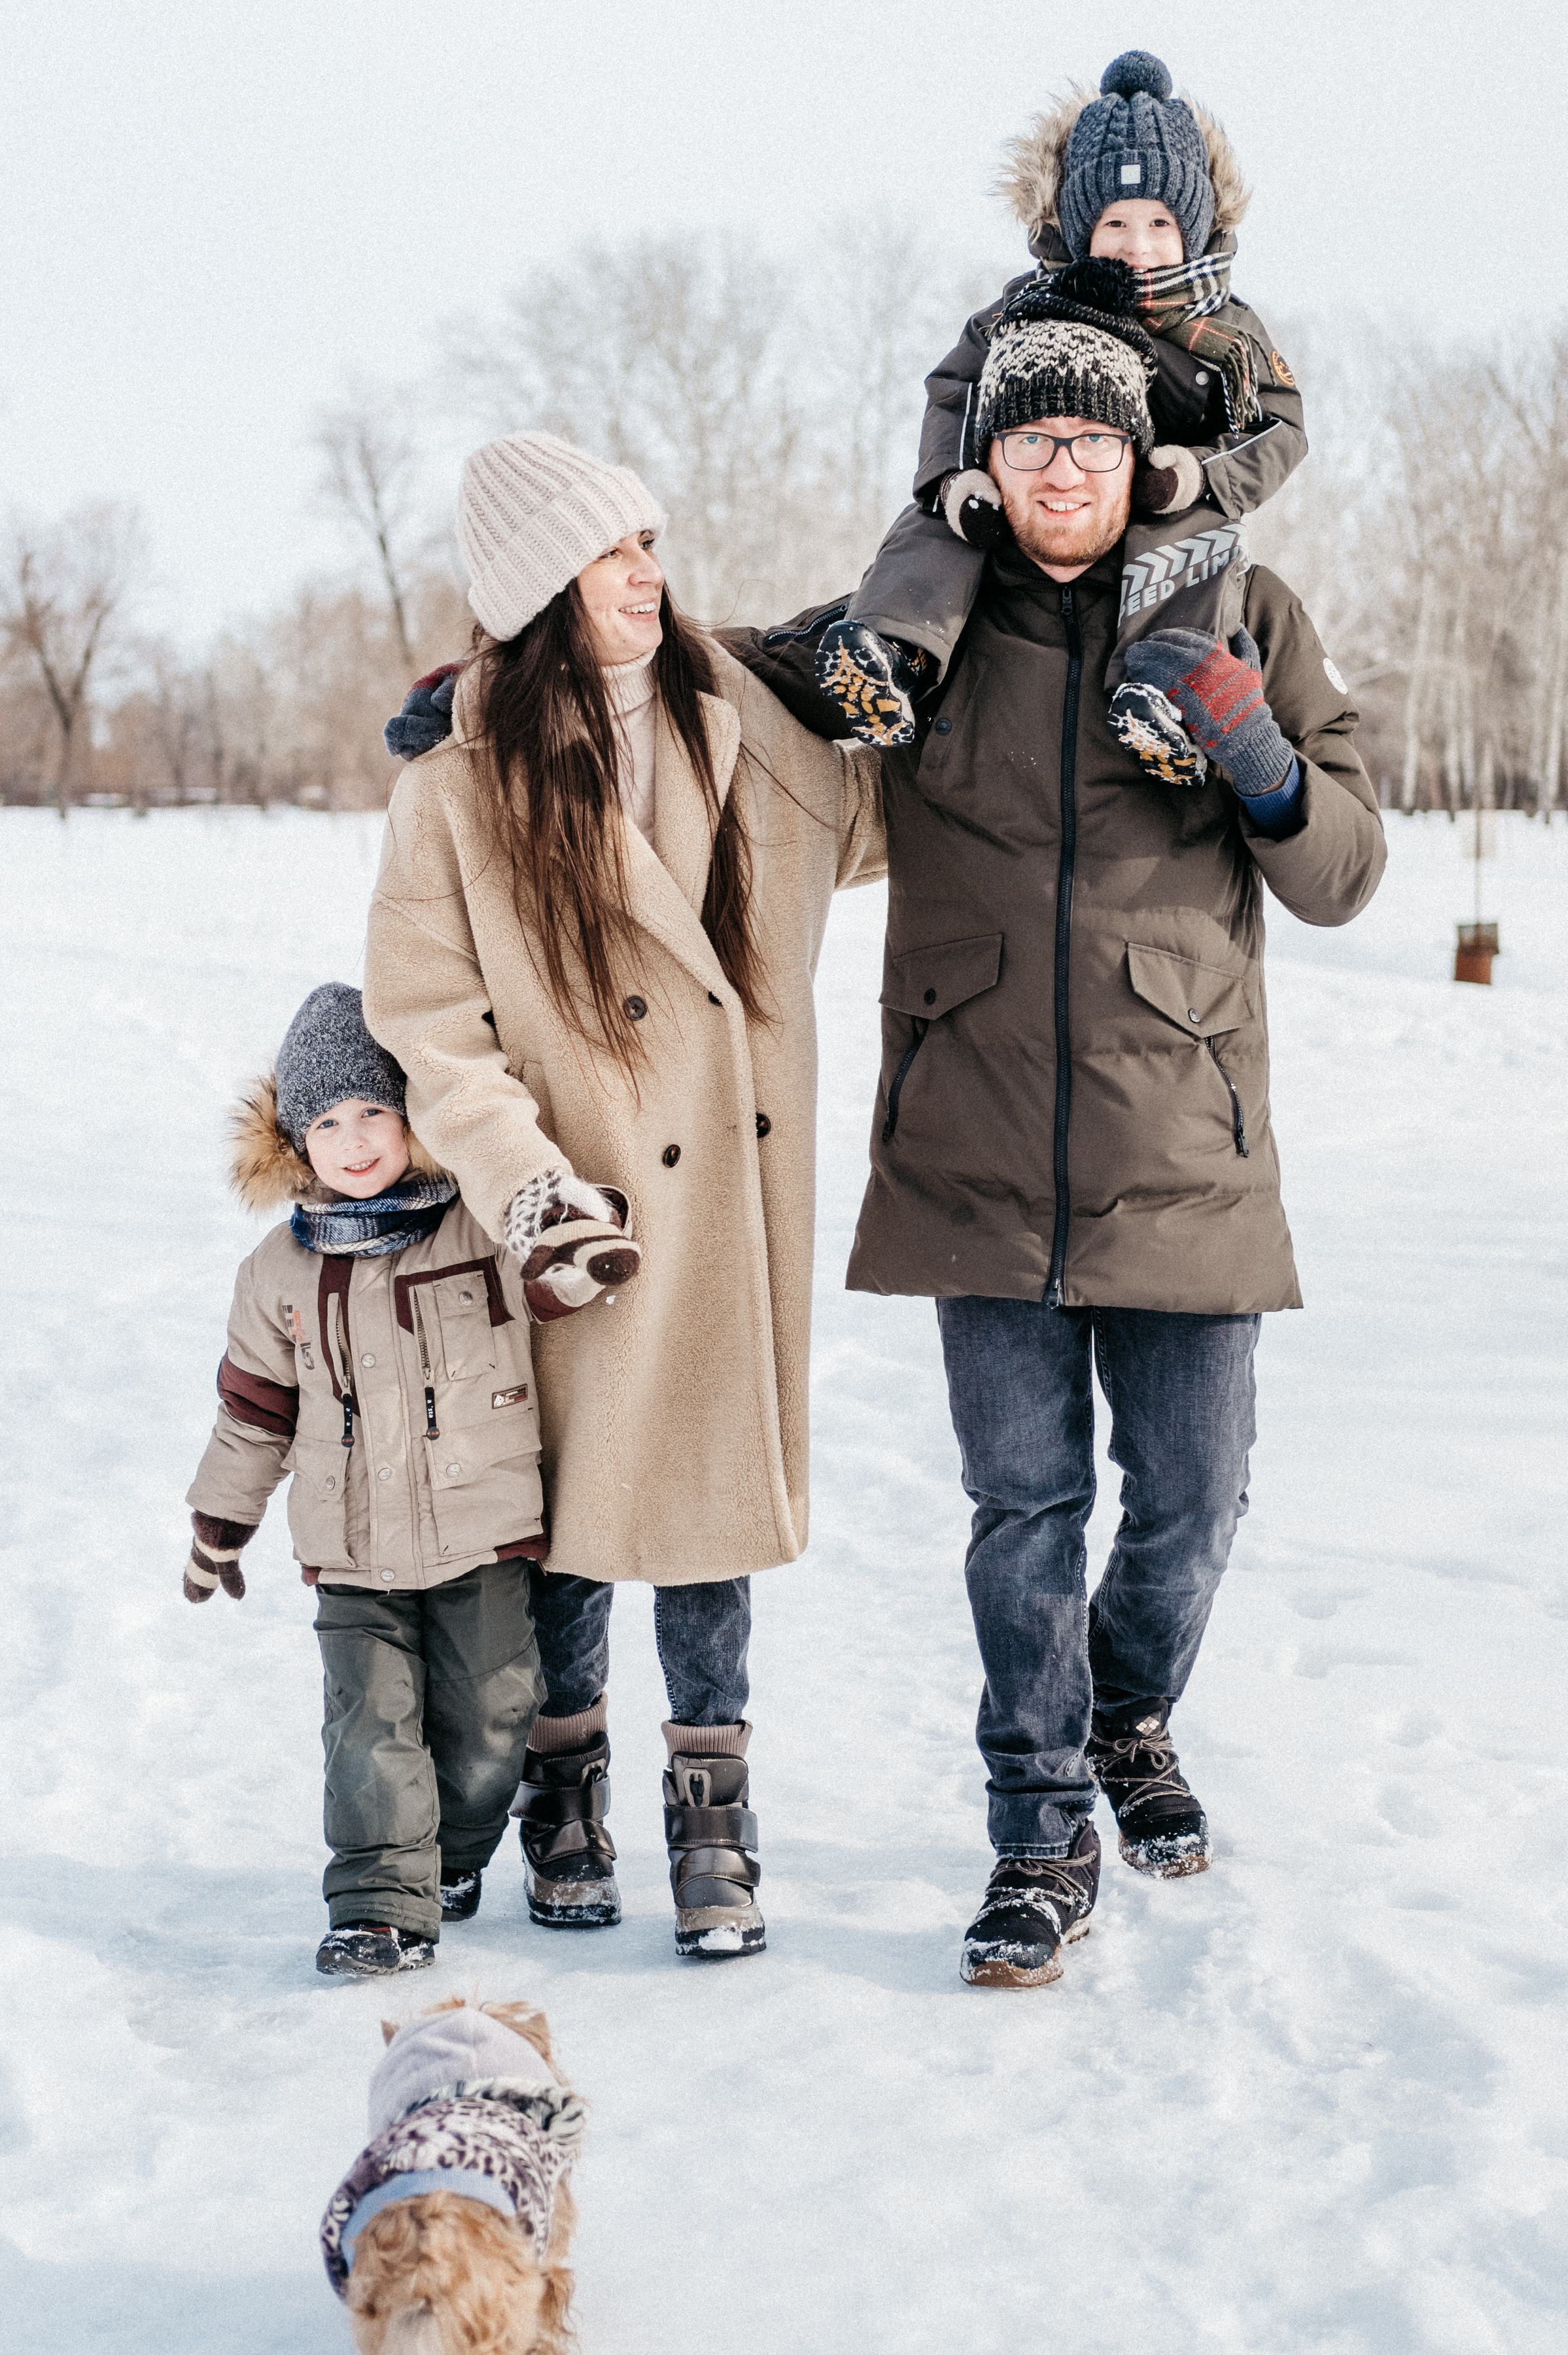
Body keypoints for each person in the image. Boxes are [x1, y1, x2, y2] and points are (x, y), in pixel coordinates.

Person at [721, 277, 1386, 1988]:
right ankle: (1036, 1831)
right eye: (1028, 439)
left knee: (1191, 1499)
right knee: (1018, 1513)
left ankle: (1127, 1714)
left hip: (1183, 1143)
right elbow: (712, 689)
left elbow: (1342, 874)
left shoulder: (1239, 606)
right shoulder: (924, 631)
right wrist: (525, 682)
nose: (1060, 469)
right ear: (988, 460)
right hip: (975, 1146)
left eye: (1088, 437)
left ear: (1135, 448)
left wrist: (1253, 755)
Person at [365, 431, 883, 1961]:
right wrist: (530, 1188)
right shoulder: (458, 792)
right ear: (539, 588)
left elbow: (895, 816)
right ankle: (564, 1782)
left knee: (708, 1509)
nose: (648, 573)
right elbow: (430, 1024)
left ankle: (711, 1810)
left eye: (650, 541)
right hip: (581, 1206)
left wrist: (902, 688)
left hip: (726, 1189)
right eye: (612, 553)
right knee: (579, 1518)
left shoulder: (753, 727)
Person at [181, 983, 561, 1979]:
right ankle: (379, 1904)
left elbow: (564, 1289)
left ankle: (454, 1857)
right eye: (326, 1121)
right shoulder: (277, 1269)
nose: (352, 1142)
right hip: (350, 1552)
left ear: (412, 1118)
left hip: (484, 1536)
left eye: (374, 1114)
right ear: (294, 1141)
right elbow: (255, 1410)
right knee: (369, 1727)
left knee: (492, 1716)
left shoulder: (477, 1226)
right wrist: (221, 1519)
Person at [813, 47, 1306, 782]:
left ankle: (1162, 693)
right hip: (1048, 481)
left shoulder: (1227, 331)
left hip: (1169, 493)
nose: (1137, 247)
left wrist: (1199, 474)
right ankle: (894, 650)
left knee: (1196, 549)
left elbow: (1281, 426)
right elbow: (955, 389)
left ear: (1195, 229)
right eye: (1114, 224)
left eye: (1159, 224)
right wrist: (955, 481)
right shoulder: (1030, 304)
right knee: (947, 526)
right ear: (1079, 229)